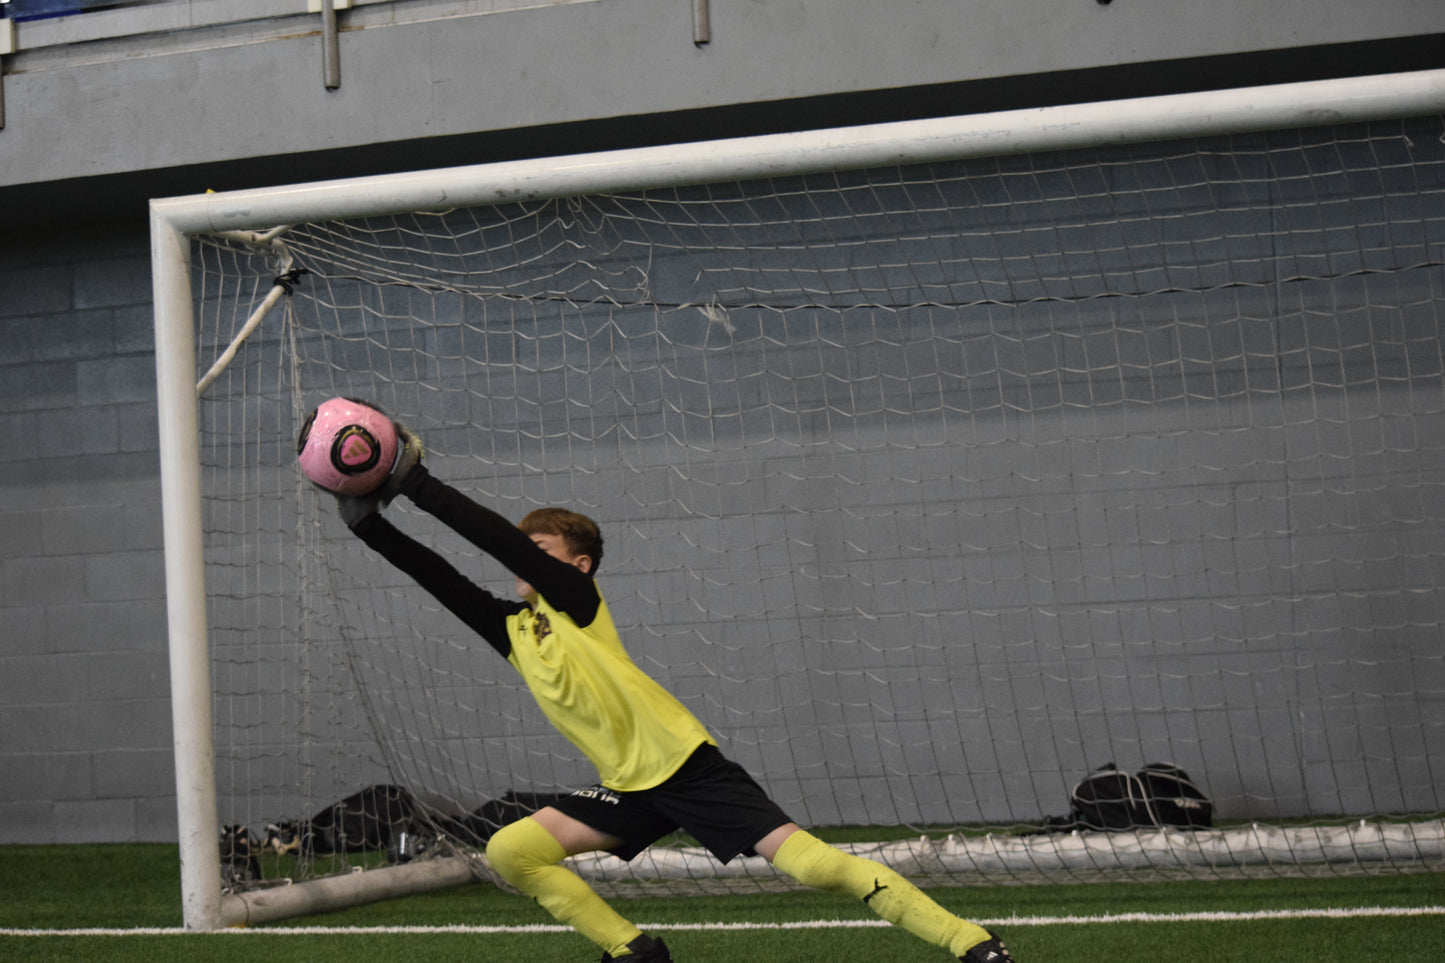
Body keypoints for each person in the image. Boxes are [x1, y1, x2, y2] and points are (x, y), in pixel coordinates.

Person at [332, 423, 1015, 963]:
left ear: (577, 563)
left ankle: (970, 942)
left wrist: (417, 482)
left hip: (688, 767)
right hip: (627, 787)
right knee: (513, 849)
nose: (521, 554)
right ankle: (633, 949)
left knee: (816, 867)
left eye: (536, 546)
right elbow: (439, 575)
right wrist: (369, 525)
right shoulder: (514, 629)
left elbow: (497, 545)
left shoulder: (577, 602)